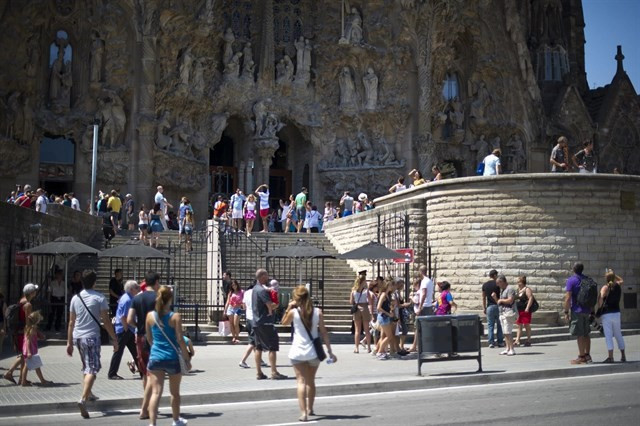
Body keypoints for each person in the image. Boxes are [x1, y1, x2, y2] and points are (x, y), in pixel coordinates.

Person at [67, 270, 118, 419]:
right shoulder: (99, 297)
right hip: (91, 337)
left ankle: (88, 393)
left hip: (78, 337)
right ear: (94, 282)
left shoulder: (75, 298)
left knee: (86, 365)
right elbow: (106, 320)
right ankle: (83, 399)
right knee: (92, 369)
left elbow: (71, 322)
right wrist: (114, 338)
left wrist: (69, 342)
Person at [281, 286, 336, 422]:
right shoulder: (318, 312)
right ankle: (310, 408)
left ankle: (304, 413)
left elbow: (283, 323)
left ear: (296, 298)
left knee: (300, 381)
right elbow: (323, 333)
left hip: (297, 352)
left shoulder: (294, 312)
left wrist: (288, 307)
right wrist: (330, 352)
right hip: (313, 352)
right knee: (310, 381)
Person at [145, 285, 191, 426]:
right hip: (171, 357)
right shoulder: (175, 316)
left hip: (155, 357)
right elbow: (179, 339)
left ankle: (153, 423)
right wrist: (186, 358)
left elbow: (149, 338)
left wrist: (156, 349)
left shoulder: (150, 316)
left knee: (155, 393)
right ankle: (176, 420)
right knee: (174, 393)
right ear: (170, 298)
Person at [127, 271, 161, 420]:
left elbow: (129, 320)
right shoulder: (158, 298)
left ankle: (147, 406)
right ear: (156, 282)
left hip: (140, 337)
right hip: (155, 338)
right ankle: (146, 408)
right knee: (155, 373)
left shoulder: (136, 298)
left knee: (145, 372)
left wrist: (139, 327)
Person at [252, 269, 287, 380]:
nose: (268, 277)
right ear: (262, 276)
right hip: (266, 322)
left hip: (256, 321)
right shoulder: (262, 290)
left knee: (258, 347)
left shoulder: (254, 289)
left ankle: (259, 373)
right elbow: (270, 306)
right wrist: (277, 304)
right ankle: (274, 372)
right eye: (266, 275)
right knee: (272, 346)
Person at [3, 283, 37, 385]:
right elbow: (27, 322)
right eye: (34, 290)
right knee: (25, 355)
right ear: (31, 293)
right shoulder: (28, 304)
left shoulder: (21, 301)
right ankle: (13, 375)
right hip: (23, 332)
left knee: (23, 356)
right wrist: (30, 334)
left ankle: (21, 378)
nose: (36, 292)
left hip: (18, 331)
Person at [108, 280, 140, 380]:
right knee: (119, 351)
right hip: (124, 329)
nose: (138, 288)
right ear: (131, 289)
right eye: (136, 287)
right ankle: (112, 373)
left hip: (126, 329)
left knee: (135, 351)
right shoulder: (128, 300)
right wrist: (126, 328)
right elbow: (123, 316)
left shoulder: (128, 298)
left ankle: (143, 371)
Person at [563, 263, 592, 364]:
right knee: (586, 333)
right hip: (587, 310)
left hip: (577, 310)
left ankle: (581, 356)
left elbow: (568, 298)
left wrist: (566, 311)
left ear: (573, 269)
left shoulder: (571, 280)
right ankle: (587, 355)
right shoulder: (587, 279)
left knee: (580, 334)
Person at [598, 269, 626, 363]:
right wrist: (614, 274)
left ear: (606, 278)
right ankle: (623, 355)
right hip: (616, 313)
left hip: (607, 314)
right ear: (614, 278)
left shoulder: (605, 287)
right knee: (618, 334)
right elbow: (621, 280)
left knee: (609, 335)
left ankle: (611, 357)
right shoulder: (618, 285)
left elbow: (601, 298)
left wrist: (599, 307)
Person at [20, 311, 53, 387]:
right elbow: (28, 340)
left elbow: (35, 337)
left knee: (27, 365)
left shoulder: (29, 327)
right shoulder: (32, 329)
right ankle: (42, 381)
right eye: (39, 319)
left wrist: (40, 336)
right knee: (37, 366)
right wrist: (29, 352)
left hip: (28, 350)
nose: (40, 321)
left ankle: (23, 381)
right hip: (31, 350)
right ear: (36, 320)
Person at [408, 265, 434, 353]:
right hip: (429, 306)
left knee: (418, 327)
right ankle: (422, 346)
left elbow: (423, 294)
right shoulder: (430, 281)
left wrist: (420, 307)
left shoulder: (424, 282)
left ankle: (415, 346)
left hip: (424, 306)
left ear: (420, 272)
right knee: (425, 327)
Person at [375, 278, 399, 360]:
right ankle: (380, 351)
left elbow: (386, 305)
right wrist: (388, 313)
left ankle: (381, 351)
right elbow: (378, 307)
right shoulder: (383, 295)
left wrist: (392, 304)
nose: (393, 287)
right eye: (392, 285)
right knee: (389, 336)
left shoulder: (388, 295)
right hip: (383, 317)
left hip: (386, 317)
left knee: (386, 336)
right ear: (388, 285)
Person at [349, 271, 371, 354]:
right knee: (366, 330)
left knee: (357, 330)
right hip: (364, 308)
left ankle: (356, 348)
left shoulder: (353, 290)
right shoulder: (366, 291)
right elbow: (369, 301)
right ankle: (368, 347)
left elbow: (351, 301)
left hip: (357, 309)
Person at [482, 269, 504, 348]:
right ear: (494, 275)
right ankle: (500, 341)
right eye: (497, 275)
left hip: (489, 307)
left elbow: (483, 297)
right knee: (499, 324)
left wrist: (484, 307)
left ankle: (491, 342)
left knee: (490, 325)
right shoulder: (497, 284)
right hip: (497, 305)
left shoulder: (485, 285)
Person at [496, 274, 517, 356]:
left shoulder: (510, 289)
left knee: (508, 332)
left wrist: (501, 300)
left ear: (502, 282)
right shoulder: (503, 290)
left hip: (509, 313)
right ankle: (507, 348)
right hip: (502, 313)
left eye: (498, 283)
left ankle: (512, 349)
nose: (497, 285)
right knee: (505, 332)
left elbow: (510, 300)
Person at [514, 276, 534, 347]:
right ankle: (517, 340)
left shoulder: (527, 289)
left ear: (523, 282)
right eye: (518, 282)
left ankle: (528, 340)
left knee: (526, 325)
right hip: (519, 310)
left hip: (525, 310)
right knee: (519, 325)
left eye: (519, 282)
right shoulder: (518, 290)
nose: (518, 283)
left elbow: (530, 298)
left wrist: (527, 308)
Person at [224, 280, 244, 344]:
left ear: (237, 285)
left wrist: (240, 304)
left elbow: (244, 301)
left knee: (236, 323)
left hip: (238, 309)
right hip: (230, 308)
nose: (234, 286)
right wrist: (225, 310)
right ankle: (233, 337)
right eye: (232, 285)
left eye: (235, 285)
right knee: (231, 324)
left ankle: (237, 337)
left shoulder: (241, 292)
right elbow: (227, 302)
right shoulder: (230, 293)